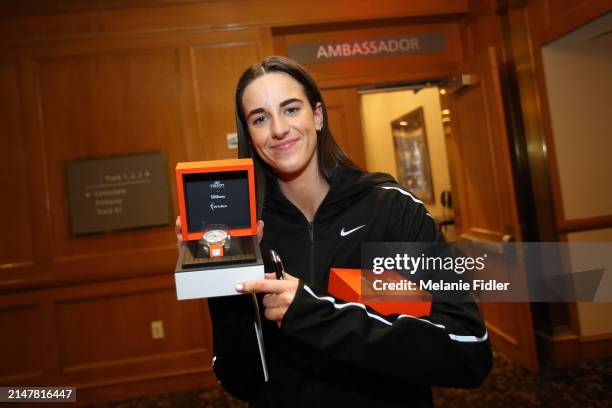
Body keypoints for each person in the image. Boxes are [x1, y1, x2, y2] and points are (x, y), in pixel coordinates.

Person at [176, 56, 492, 407]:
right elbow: (242, 381)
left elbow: (469, 349)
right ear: (250, 135)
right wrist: (220, 270)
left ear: (318, 116)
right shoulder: (250, 230)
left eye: (291, 109)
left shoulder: (390, 210)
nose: (278, 128)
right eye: (260, 118)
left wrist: (312, 312)